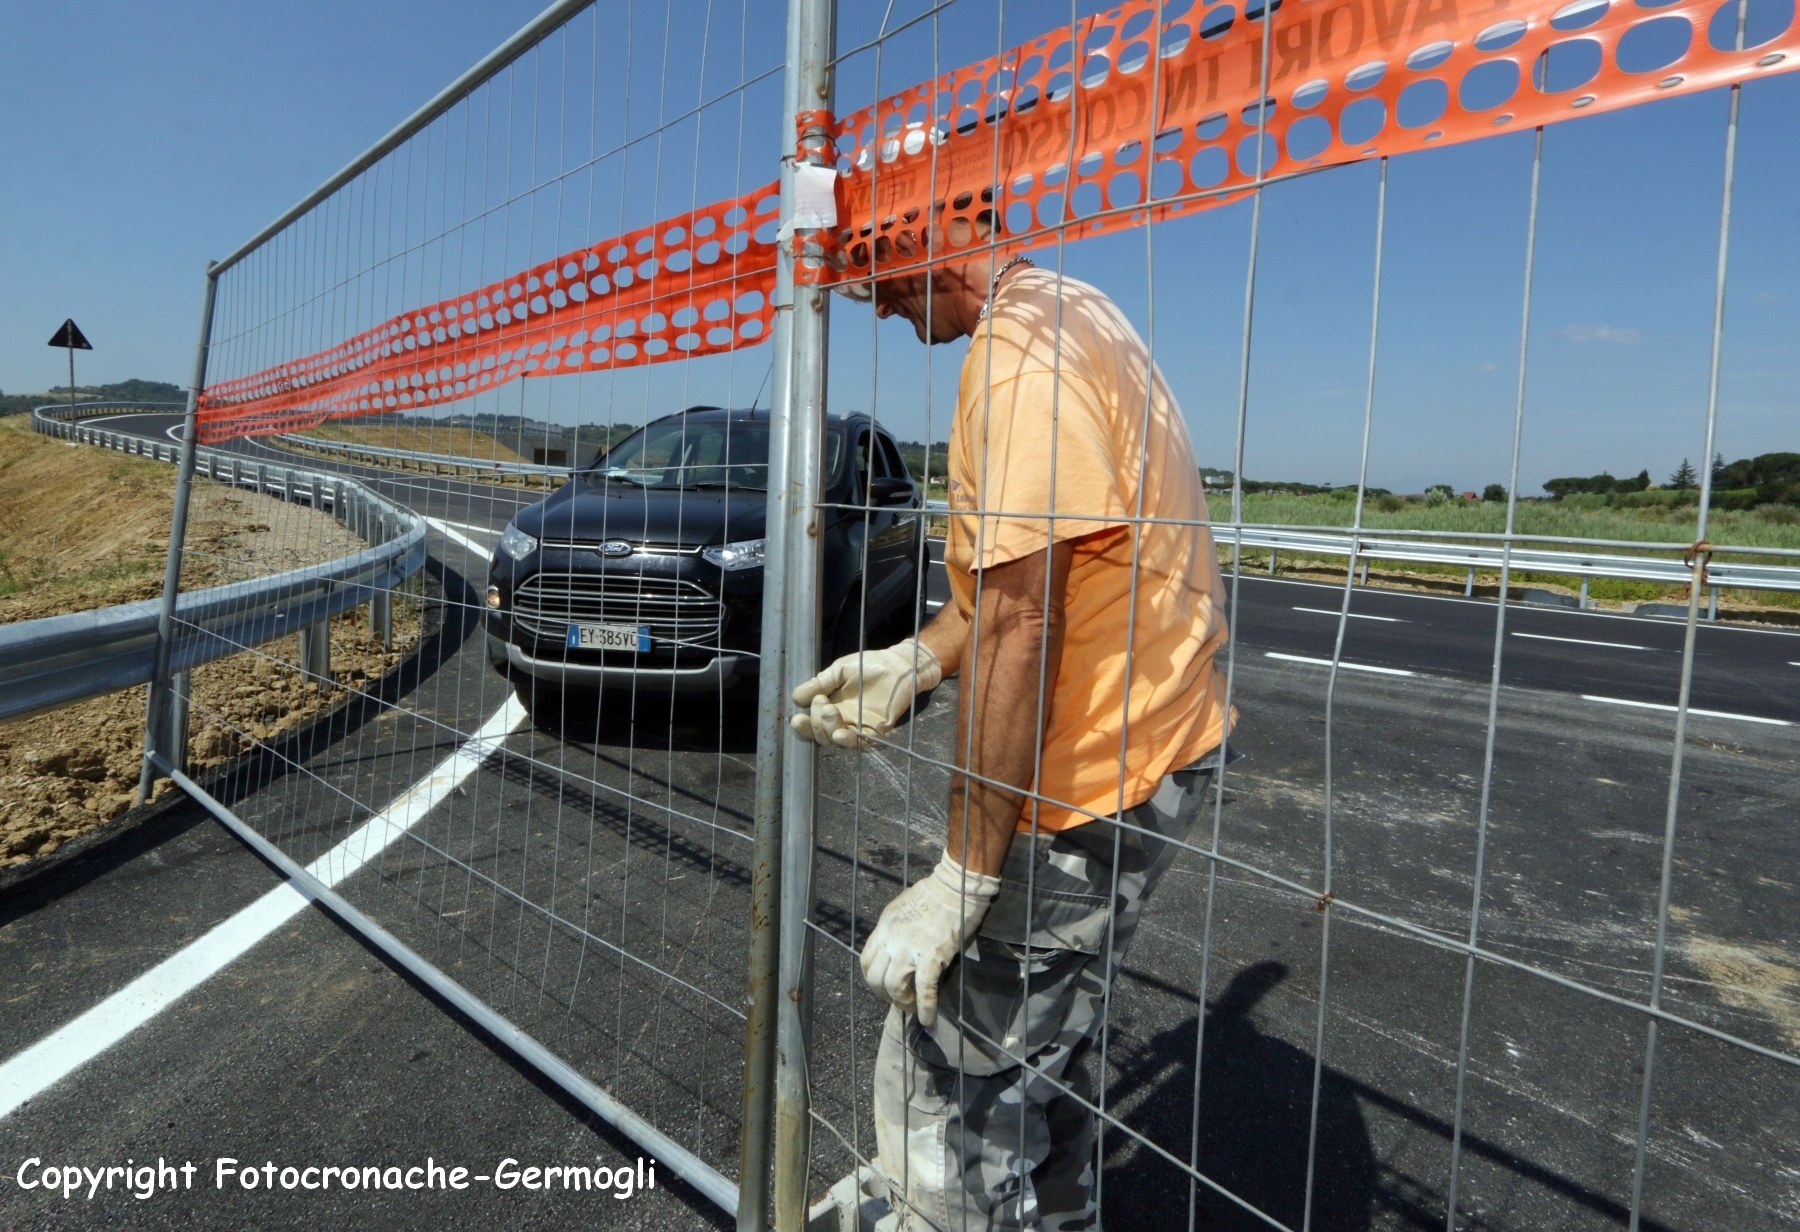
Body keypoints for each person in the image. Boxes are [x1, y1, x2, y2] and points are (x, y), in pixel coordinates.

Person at [791, 232, 1233, 1230]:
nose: (878, 305)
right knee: (1044, 1065)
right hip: (1148, 749)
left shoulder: (1022, 356)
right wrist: (916, 660)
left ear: (927, 230)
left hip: (1091, 777)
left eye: (876, 272)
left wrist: (964, 875)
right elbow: (1006, 589)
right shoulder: (1071, 312)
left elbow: (1025, 619)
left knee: (947, 1088)